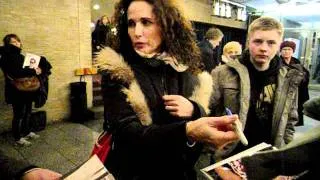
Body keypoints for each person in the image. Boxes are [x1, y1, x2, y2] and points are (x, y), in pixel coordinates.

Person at [94, 0, 239, 179]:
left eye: (146, 22)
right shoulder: (118, 69)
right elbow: (126, 134)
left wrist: (194, 109)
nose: (137, 32)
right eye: (131, 23)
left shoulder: (186, 67)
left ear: (167, 24)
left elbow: (201, 120)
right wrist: (187, 130)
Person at [209, 17, 305, 179]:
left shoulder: (289, 77)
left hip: (269, 158)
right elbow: (207, 115)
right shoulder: (222, 73)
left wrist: (283, 153)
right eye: (258, 41)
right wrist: (216, 157)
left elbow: (290, 119)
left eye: (271, 43)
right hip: (230, 157)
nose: (263, 48)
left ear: (279, 44)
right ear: (248, 42)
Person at [0, 34, 42, 146]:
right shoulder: (7, 56)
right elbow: (16, 73)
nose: (17, 43)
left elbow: (26, 69)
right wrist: (34, 72)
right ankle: (18, 138)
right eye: (13, 42)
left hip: (26, 88)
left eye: (18, 41)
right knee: (18, 114)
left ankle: (26, 131)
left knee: (27, 111)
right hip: (16, 90)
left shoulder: (19, 55)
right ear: (7, 44)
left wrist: (36, 69)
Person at [280, 40, 310, 126]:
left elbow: (305, 78)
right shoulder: (277, 64)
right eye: (284, 49)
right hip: (283, 93)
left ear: (293, 51)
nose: (286, 51)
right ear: (280, 51)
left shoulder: (298, 64)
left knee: (292, 117)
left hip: (296, 95)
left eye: (289, 49)